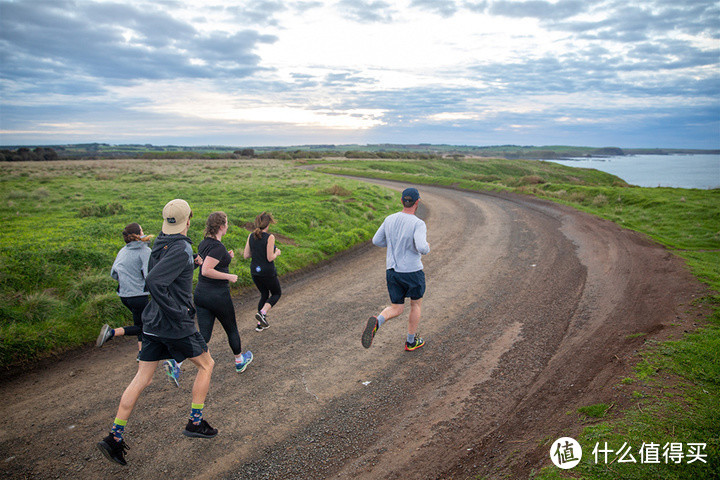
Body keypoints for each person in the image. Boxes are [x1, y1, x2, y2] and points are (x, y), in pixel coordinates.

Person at [97, 199, 217, 467]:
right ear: (189, 219)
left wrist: (192, 265)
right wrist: (177, 314)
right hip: (173, 323)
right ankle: (195, 423)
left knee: (143, 377)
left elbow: (164, 273)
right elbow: (153, 281)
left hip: (151, 323)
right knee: (207, 365)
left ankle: (114, 438)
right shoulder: (181, 248)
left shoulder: (162, 242)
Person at [362, 187, 430, 351]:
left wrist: (393, 244)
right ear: (417, 202)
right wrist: (427, 247)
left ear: (401, 201)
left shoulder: (390, 219)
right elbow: (422, 247)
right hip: (412, 272)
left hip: (392, 271)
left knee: (396, 307)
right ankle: (411, 341)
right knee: (415, 305)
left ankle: (378, 321)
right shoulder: (417, 223)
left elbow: (376, 240)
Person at [194, 211, 253, 373]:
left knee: (204, 335)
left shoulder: (204, 243)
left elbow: (206, 261)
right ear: (221, 226)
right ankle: (240, 361)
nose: (227, 226)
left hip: (201, 294)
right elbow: (206, 270)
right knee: (231, 329)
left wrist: (226, 257)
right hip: (218, 295)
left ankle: (176, 363)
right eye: (226, 223)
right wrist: (230, 276)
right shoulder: (218, 247)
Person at [96, 223, 152, 361]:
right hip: (139, 295)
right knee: (147, 325)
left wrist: (127, 282)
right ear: (139, 233)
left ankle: (141, 354)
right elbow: (148, 275)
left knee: (140, 323)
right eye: (142, 229)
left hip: (124, 295)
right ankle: (112, 332)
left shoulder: (122, 251)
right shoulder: (145, 251)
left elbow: (113, 273)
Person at [243, 212, 282, 332]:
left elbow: (246, 255)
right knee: (276, 293)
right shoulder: (270, 237)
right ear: (268, 223)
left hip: (255, 271)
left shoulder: (251, 236)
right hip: (267, 271)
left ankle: (260, 324)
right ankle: (263, 312)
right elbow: (270, 257)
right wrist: (277, 253)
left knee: (264, 294)